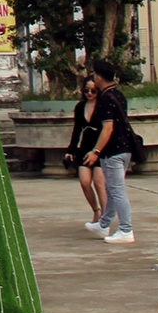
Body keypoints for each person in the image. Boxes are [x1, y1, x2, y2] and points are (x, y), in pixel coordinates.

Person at [84, 59, 137, 244]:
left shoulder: (106, 98)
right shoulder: (118, 94)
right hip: (123, 148)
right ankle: (104, 223)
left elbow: (108, 128)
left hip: (113, 150)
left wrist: (95, 151)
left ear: (98, 77)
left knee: (117, 190)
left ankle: (126, 229)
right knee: (112, 188)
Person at [62, 76, 107, 224]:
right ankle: (96, 210)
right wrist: (71, 150)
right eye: (86, 90)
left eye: (93, 91)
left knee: (99, 181)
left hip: (101, 147)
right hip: (85, 146)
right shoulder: (80, 107)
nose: (89, 94)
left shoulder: (103, 106)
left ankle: (105, 216)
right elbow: (77, 130)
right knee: (84, 181)